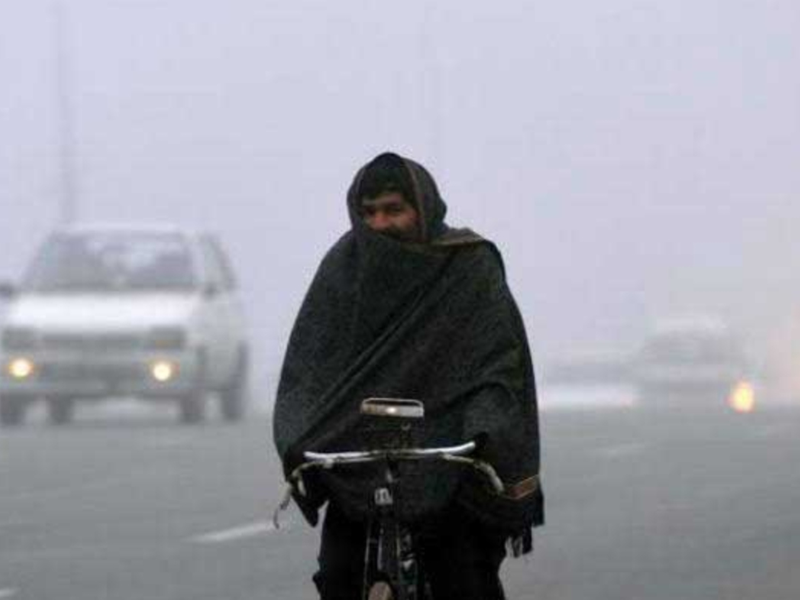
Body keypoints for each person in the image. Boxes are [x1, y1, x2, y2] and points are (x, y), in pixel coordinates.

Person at [273, 152, 544, 600]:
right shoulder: (343, 268)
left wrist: (485, 429)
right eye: (370, 212)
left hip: (448, 457)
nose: (380, 223)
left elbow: (496, 365)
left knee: (464, 578)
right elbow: (308, 367)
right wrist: (298, 432)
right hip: (356, 455)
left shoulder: (467, 267)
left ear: (423, 209)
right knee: (338, 577)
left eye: (394, 209)